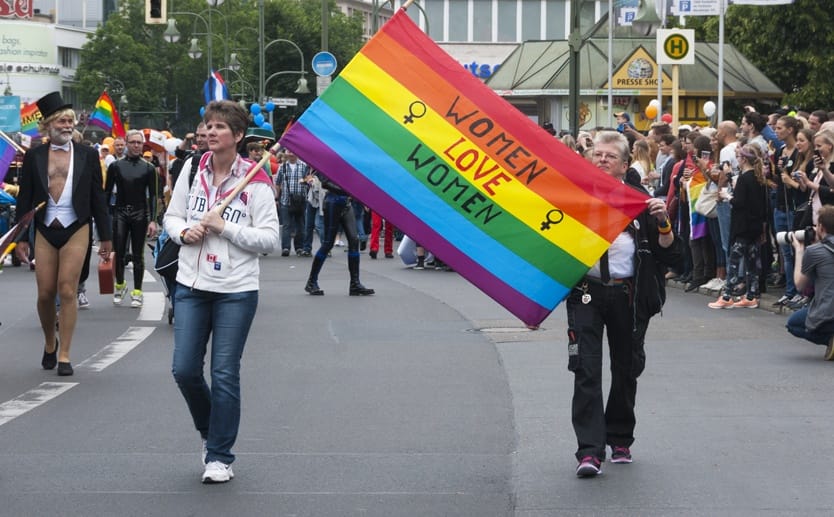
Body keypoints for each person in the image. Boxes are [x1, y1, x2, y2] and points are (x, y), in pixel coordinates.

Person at [164, 100, 280, 483]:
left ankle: (219, 456)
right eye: (207, 126)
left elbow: (270, 240)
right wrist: (183, 232)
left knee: (225, 372)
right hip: (191, 285)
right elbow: (172, 215)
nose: (210, 132)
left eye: (219, 127)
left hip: (235, 290)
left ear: (238, 136)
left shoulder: (256, 181)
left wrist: (224, 227)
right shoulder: (192, 168)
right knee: (184, 371)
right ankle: (209, 430)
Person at [567, 131, 680, 478]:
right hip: (586, 290)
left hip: (626, 294)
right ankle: (589, 451)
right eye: (596, 154)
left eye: (609, 156)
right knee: (585, 367)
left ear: (625, 164)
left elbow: (670, 253)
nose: (601, 160)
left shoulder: (639, 200)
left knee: (625, 367)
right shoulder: (572, 197)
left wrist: (662, 221)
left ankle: (620, 438)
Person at [14, 92, 113, 376]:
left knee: (67, 289)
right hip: (45, 228)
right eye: (62, 121)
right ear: (48, 125)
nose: (68, 125)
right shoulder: (33, 156)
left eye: (70, 121)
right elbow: (25, 198)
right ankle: (49, 342)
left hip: (77, 226)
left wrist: (106, 237)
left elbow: (98, 197)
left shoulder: (88, 154)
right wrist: (21, 237)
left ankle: (66, 355)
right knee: (45, 293)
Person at [708, 144, 770, 309]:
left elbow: (739, 202)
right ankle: (751, 295)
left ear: (743, 159)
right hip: (755, 225)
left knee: (734, 259)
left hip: (743, 226)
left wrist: (728, 196)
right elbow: (763, 205)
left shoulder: (744, 178)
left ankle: (727, 295)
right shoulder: (759, 177)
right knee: (752, 261)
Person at [105, 129, 159, 308]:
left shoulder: (149, 168)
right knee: (119, 252)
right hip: (120, 212)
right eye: (133, 142)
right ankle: (120, 285)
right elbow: (106, 193)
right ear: (126, 144)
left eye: (139, 143)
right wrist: (104, 217)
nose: (136, 146)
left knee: (138, 254)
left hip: (140, 213)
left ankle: (137, 291)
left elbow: (153, 195)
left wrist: (153, 220)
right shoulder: (116, 166)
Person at [303, 169, 375, 296]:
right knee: (327, 244)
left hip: (346, 204)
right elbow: (325, 182)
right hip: (332, 203)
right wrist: (348, 191)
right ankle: (311, 281)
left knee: (354, 240)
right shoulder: (328, 159)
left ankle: (355, 283)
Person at [786, 205, 834, 359]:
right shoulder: (817, 249)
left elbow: (800, 285)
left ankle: (830, 339)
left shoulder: (814, 251)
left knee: (793, 323)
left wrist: (800, 252)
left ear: (821, 227)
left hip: (828, 313)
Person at [275, 149, 309, 256]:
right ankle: (286, 248)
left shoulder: (304, 166)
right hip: (286, 200)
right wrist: (277, 197)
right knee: (286, 225)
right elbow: (278, 183)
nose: (291, 153)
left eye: (293, 151)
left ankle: (299, 247)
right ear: (286, 153)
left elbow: (309, 181)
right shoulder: (282, 167)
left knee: (301, 225)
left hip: (301, 200)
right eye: (289, 151)